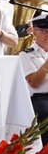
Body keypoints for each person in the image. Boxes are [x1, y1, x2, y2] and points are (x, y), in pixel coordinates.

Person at [19, 12, 48, 146]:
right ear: (34, 32)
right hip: (41, 98)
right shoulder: (26, 55)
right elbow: (34, 82)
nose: (47, 34)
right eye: (43, 30)